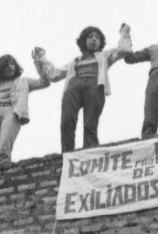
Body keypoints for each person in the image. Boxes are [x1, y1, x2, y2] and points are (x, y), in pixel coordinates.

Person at [34, 24, 132, 152]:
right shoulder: (75, 61)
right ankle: (67, 153)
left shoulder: (104, 56)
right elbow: (54, 74)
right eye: (90, 37)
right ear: (83, 41)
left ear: (100, 42)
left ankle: (89, 151)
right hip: (73, 87)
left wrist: (124, 33)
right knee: (67, 120)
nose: (94, 40)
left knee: (90, 123)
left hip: (94, 86)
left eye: (97, 38)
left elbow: (125, 50)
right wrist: (42, 58)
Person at [0, 55, 51, 166]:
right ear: (0, 69)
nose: (10, 67)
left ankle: (5, 177)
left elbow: (44, 82)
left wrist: (38, 61)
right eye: (6, 65)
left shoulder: (24, 81)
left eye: (12, 64)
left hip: (11, 111)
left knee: (4, 153)